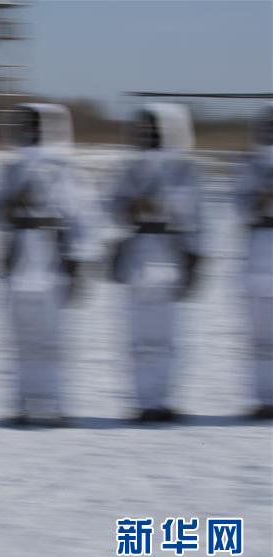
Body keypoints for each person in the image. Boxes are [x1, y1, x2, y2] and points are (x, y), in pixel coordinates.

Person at [0, 103, 92, 426]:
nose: (30, 135)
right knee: (21, 339)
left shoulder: (67, 170)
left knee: (53, 340)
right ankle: (23, 403)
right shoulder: (9, 169)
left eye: (35, 129)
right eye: (25, 128)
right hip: (20, 254)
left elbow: (82, 217)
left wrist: (79, 262)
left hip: (53, 255)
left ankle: (55, 404)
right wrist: (10, 204)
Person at [109, 103, 203, 422]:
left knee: (167, 338)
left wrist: (196, 260)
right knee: (139, 338)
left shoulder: (186, 169)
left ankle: (162, 399)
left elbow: (196, 217)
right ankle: (143, 400)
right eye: (144, 129)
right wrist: (130, 208)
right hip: (139, 251)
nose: (148, 135)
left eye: (155, 129)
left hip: (170, 252)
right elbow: (111, 206)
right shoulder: (128, 167)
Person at [232, 102, 273, 420]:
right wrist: (259, 200)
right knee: (261, 336)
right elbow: (239, 204)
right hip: (260, 246)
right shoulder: (251, 163)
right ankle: (265, 398)